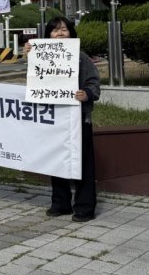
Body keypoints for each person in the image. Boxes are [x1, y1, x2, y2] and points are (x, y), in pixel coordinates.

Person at [25, 17, 100, 222]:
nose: (59, 34)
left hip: (78, 118)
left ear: (71, 34)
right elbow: (35, 82)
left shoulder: (81, 57)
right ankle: (60, 203)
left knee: (83, 163)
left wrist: (86, 94)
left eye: (64, 30)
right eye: (55, 30)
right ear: (48, 35)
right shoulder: (39, 55)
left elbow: (94, 83)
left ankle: (84, 207)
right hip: (53, 117)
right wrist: (30, 56)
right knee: (56, 160)